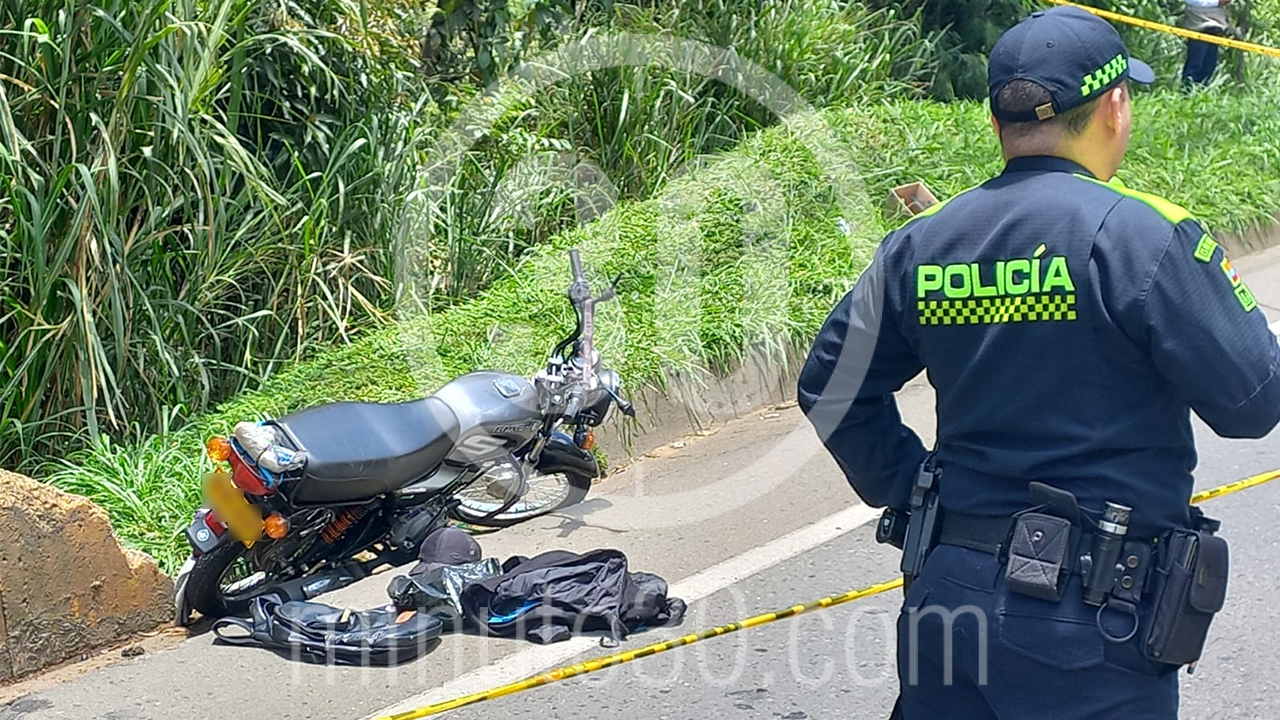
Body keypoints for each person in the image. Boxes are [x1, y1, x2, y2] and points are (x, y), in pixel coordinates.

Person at [796, 6, 1280, 719]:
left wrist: (911, 486)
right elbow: (1253, 402)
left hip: (946, 598)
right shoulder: (1143, 236)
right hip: (1089, 626)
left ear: (998, 126)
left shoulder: (924, 243)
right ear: (1115, 106)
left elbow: (830, 384)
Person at [1182, 0, 1232, 88]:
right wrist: (1217, 2)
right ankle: (1187, 92)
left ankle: (1201, 91)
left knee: (1209, 66)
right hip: (1199, 26)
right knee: (1195, 64)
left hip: (1216, 28)